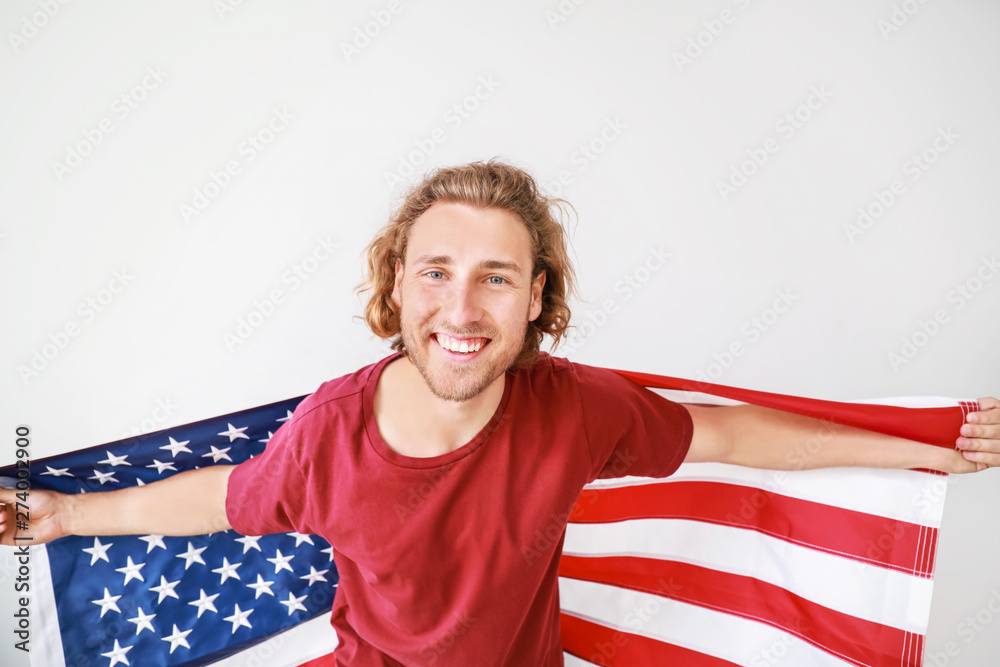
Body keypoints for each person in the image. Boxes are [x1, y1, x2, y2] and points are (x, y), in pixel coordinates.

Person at [2, 160, 998, 665]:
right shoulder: (329, 431)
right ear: (397, 288)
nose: (461, 310)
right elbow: (224, 498)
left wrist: (914, 452)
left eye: (495, 278)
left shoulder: (574, 411)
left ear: (535, 298)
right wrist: (60, 514)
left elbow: (729, 432)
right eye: (436, 272)